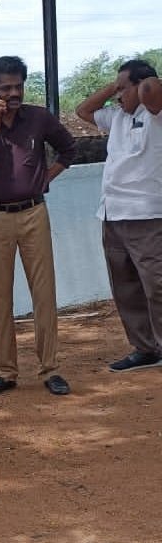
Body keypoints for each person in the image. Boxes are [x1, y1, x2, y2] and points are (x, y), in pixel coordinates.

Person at [0, 55, 75, 397]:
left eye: (18, 86)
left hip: (33, 213)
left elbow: (68, 150)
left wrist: (45, 179)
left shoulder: (38, 117)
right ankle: (6, 372)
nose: (14, 93)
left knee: (44, 292)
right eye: (6, 88)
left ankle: (50, 368)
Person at [76, 59, 162, 372]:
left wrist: (138, 85)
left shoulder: (156, 114)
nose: (116, 96)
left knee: (156, 284)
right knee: (125, 286)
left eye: (123, 89)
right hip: (112, 213)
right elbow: (83, 111)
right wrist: (117, 86)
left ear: (142, 86)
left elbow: (153, 88)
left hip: (148, 214)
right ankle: (145, 348)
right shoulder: (116, 118)